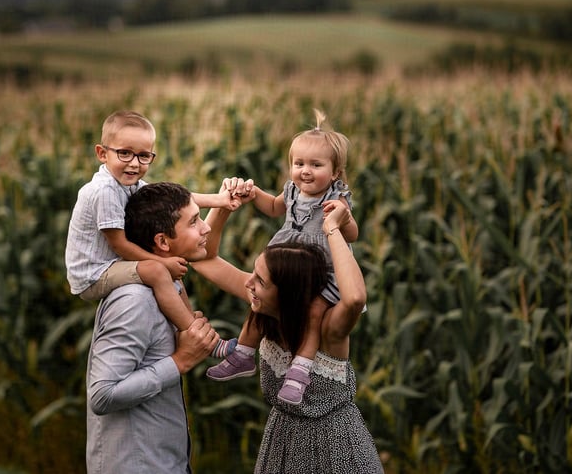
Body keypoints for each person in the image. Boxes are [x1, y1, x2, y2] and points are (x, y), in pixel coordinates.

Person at [191, 179, 384, 473]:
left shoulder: (329, 328)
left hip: (336, 448)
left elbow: (355, 298)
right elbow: (203, 260)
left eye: (260, 280)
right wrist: (222, 204)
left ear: (287, 293)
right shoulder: (264, 303)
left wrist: (333, 229)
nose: (248, 284)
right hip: (281, 442)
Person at [207, 109, 360, 405]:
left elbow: (352, 235)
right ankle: (243, 353)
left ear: (335, 172)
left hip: (321, 270)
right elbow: (274, 208)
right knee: (259, 302)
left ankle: (299, 372)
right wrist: (254, 194)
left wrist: (342, 219)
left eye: (316, 165)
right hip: (288, 261)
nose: (305, 171)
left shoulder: (336, 196)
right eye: (298, 163)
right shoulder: (292, 191)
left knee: (314, 311)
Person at [65, 110, 237, 358]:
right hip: (93, 273)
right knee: (158, 270)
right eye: (124, 153)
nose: (134, 163)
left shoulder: (128, 182)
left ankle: (186, 322)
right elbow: (120, 245)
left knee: (169, 270)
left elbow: (178, 201)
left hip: (111, 264)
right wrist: (163, 262)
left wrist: (220, 200)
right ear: (102, 153)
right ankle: (199, 337)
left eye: (143, 156)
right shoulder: (105, 191)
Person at [86, 182, 225, 474]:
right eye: (194, 222)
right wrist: (180, 361)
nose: (205, 228)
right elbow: (102, 395)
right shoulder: (134, 301)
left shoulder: (168, 287)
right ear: (162, 241)